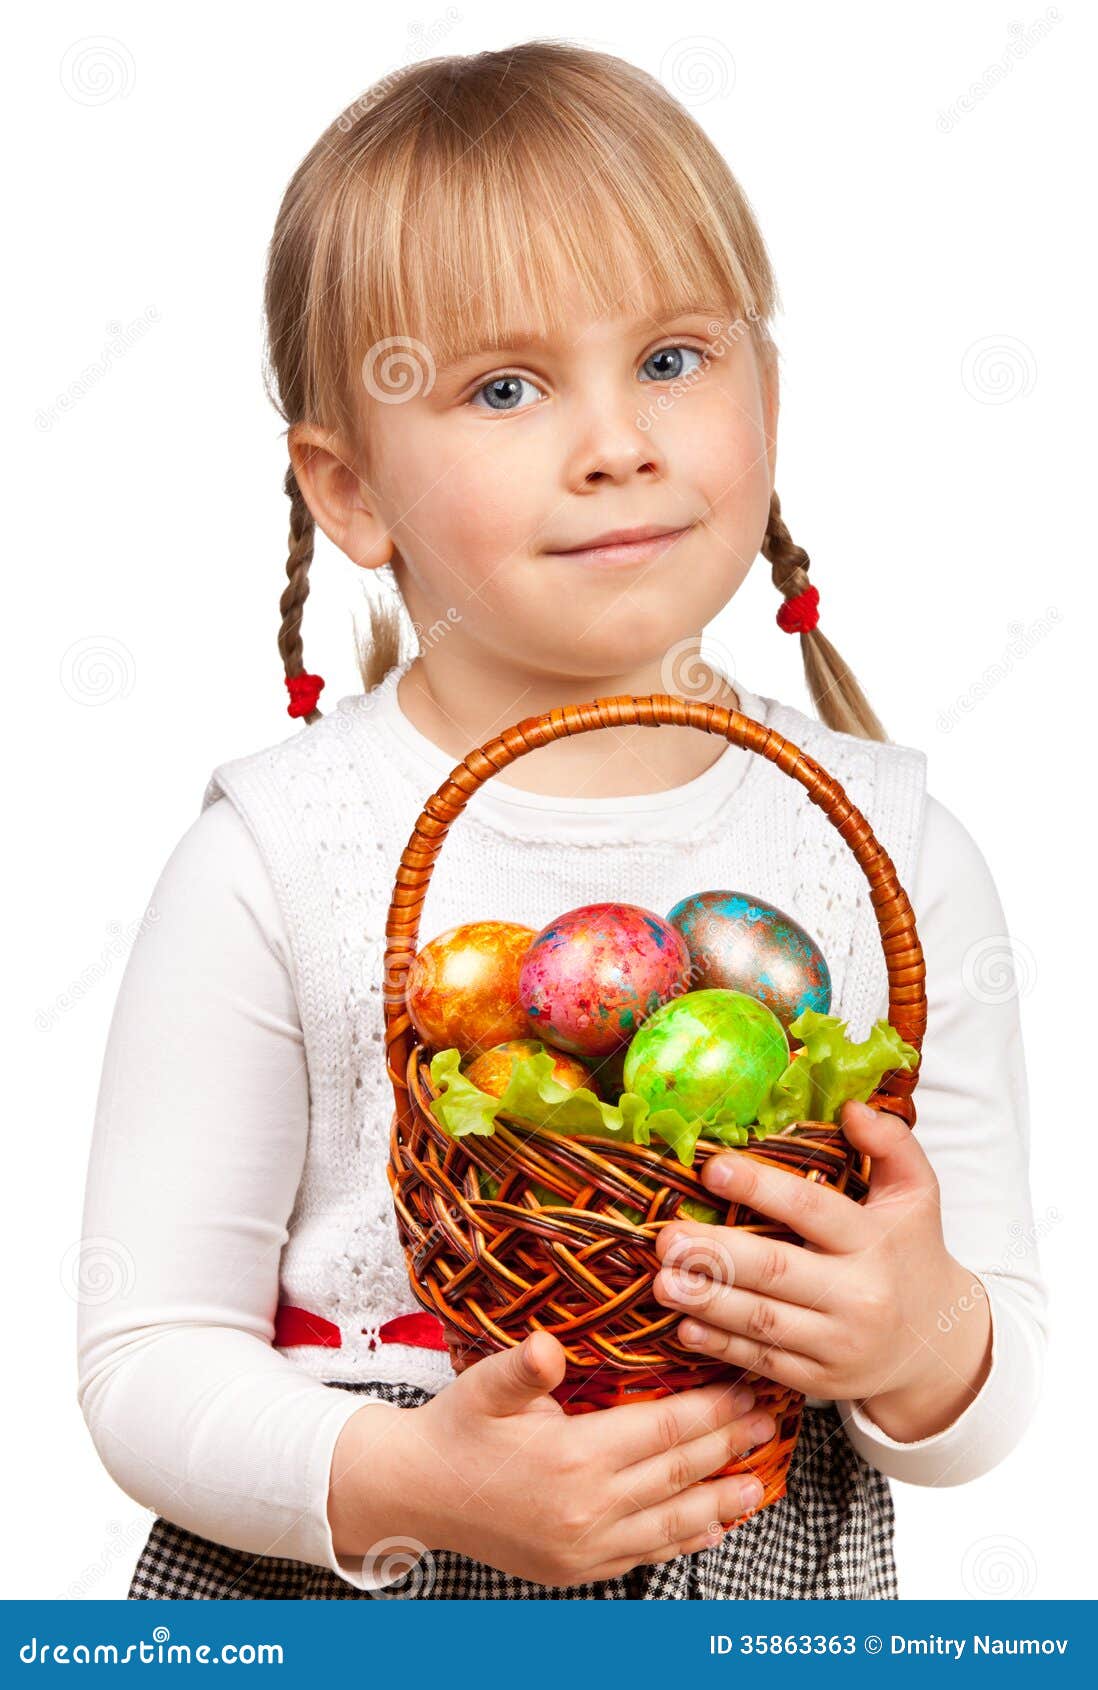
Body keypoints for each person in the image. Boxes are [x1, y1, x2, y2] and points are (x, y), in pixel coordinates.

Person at [76, 40, 1047, 1601]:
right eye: (505, 386)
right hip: (364, 1604)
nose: (616, 442)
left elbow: (980, 1390)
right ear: (349, 489)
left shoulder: (884, 848)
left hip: (749, 1592)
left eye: (671, 359)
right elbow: (141, 1357)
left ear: (768, 395)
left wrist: (916, 1328)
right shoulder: (284, 853)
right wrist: (407, 1481)